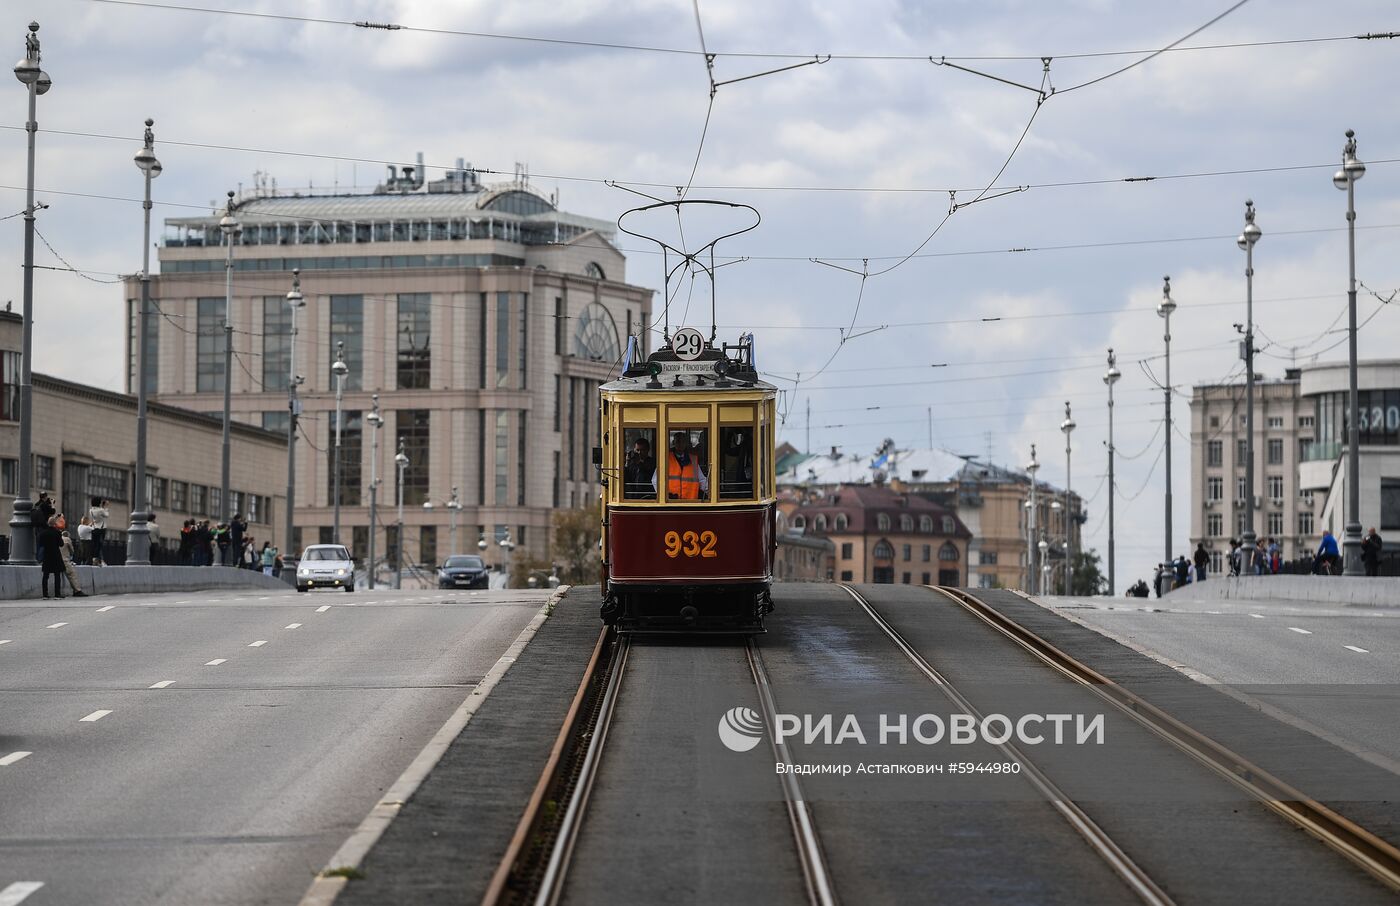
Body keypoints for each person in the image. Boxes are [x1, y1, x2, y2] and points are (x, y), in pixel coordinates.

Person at [653, 431, 709, 499]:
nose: (680, 444)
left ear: (686, 444)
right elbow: (655, 480)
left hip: (690, 503)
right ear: (673, 443)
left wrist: (708, 494)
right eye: (678, 441)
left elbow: (702, 481)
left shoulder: (693, 460)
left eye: (683, 442)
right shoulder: (665, 459)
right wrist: (664, 495)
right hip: (671, 502)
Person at [39, 516, 66, 598]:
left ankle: (45, 594)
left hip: (47, 555)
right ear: (54, 524)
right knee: (57, 575)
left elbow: (41, 544)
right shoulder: (57, 532)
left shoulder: (43, 533)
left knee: (45, 575)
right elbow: (61, 544)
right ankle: (57, 594)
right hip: (56, 555)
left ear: (48, 523)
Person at [58, 528, 87, 597]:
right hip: (65, 560)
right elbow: (72, 551)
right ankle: (77, 590)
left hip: (56, 560)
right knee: (72, 574)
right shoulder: (67, 539)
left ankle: (57, 593)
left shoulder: (56, 538)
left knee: (57, 576)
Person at [88, 497, 110, 566]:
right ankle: (100, 560)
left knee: (95, 544)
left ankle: (94, 559)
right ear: (99, 503)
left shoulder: (91, 510)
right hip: (101, 528)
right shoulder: (100, 510)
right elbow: (106, 515)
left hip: (94, 528)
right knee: (100, 545)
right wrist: (106, 507)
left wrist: (102, 507)